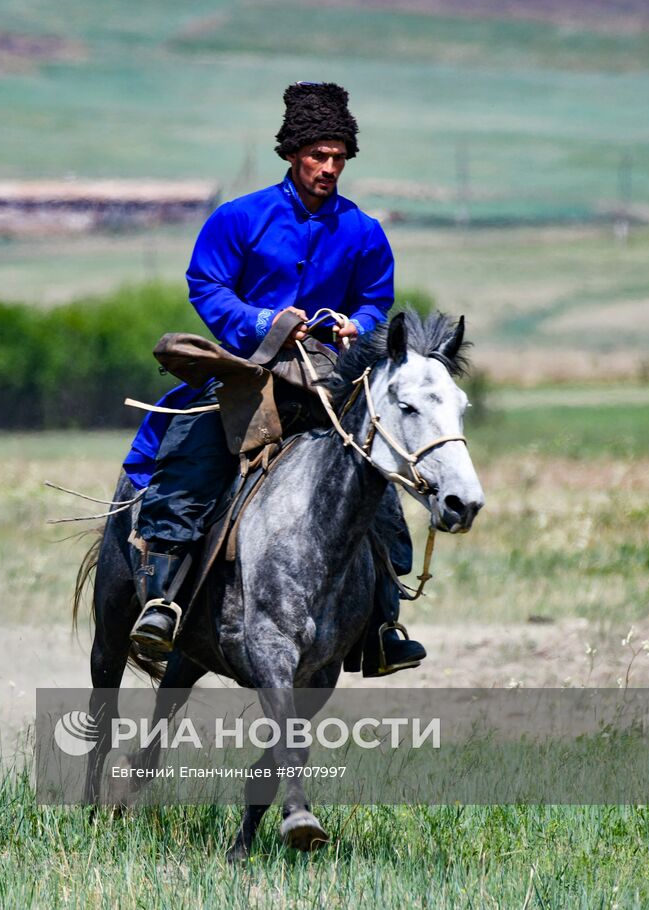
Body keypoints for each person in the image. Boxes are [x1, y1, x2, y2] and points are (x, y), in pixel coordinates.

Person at [122, 82, 426, 673]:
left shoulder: (363, 231)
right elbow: (206, 285)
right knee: (193, 458)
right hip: (249, 376)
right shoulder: (239, 218)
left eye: (339, 158)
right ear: (293, 154)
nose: (329, 168)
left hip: (328, 386)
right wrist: (265, 321)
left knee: (374, 485)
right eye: (319, 156)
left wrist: (351, 325)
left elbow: (374, 302)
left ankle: (384, 625)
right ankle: (162, 600)